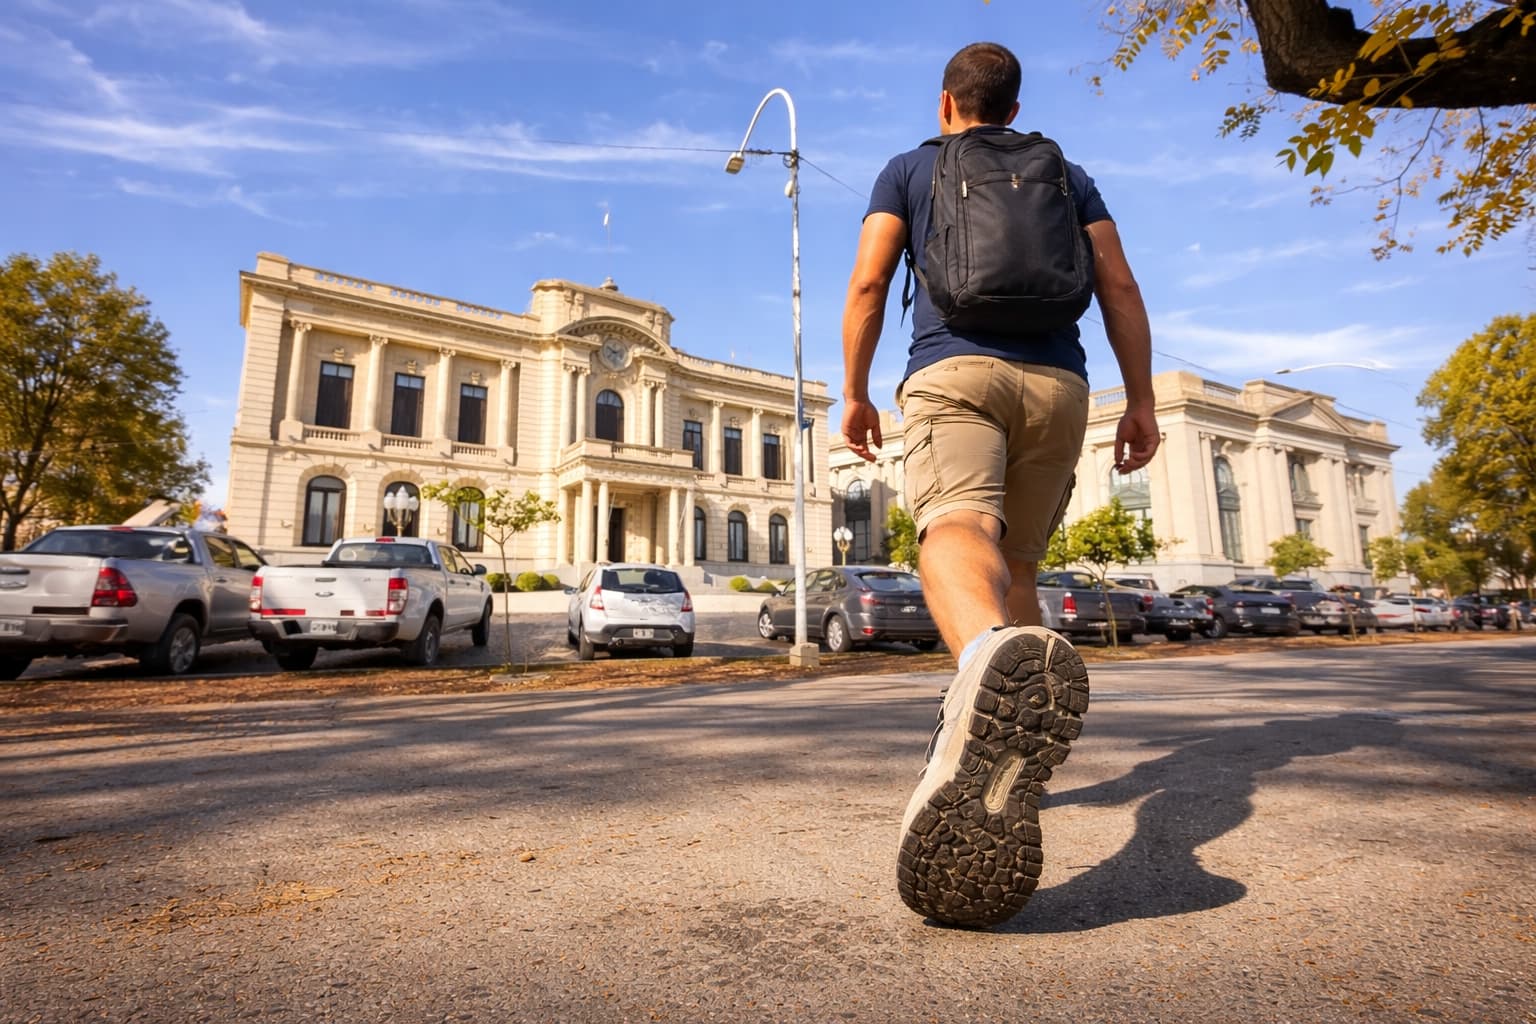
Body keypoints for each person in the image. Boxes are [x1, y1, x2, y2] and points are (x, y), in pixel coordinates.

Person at [839, 41, 1160, 928]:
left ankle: (981, 675)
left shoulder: (911, 168)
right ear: (1014, 110)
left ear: (947, 104)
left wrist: (856, 392)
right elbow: (1120, 286)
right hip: (1060, 387)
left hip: (953, 371)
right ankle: (1008, 709)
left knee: (953, 530)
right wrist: (1137, 402)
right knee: (1014, 564)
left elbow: (870, 281)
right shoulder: (1071, 175)